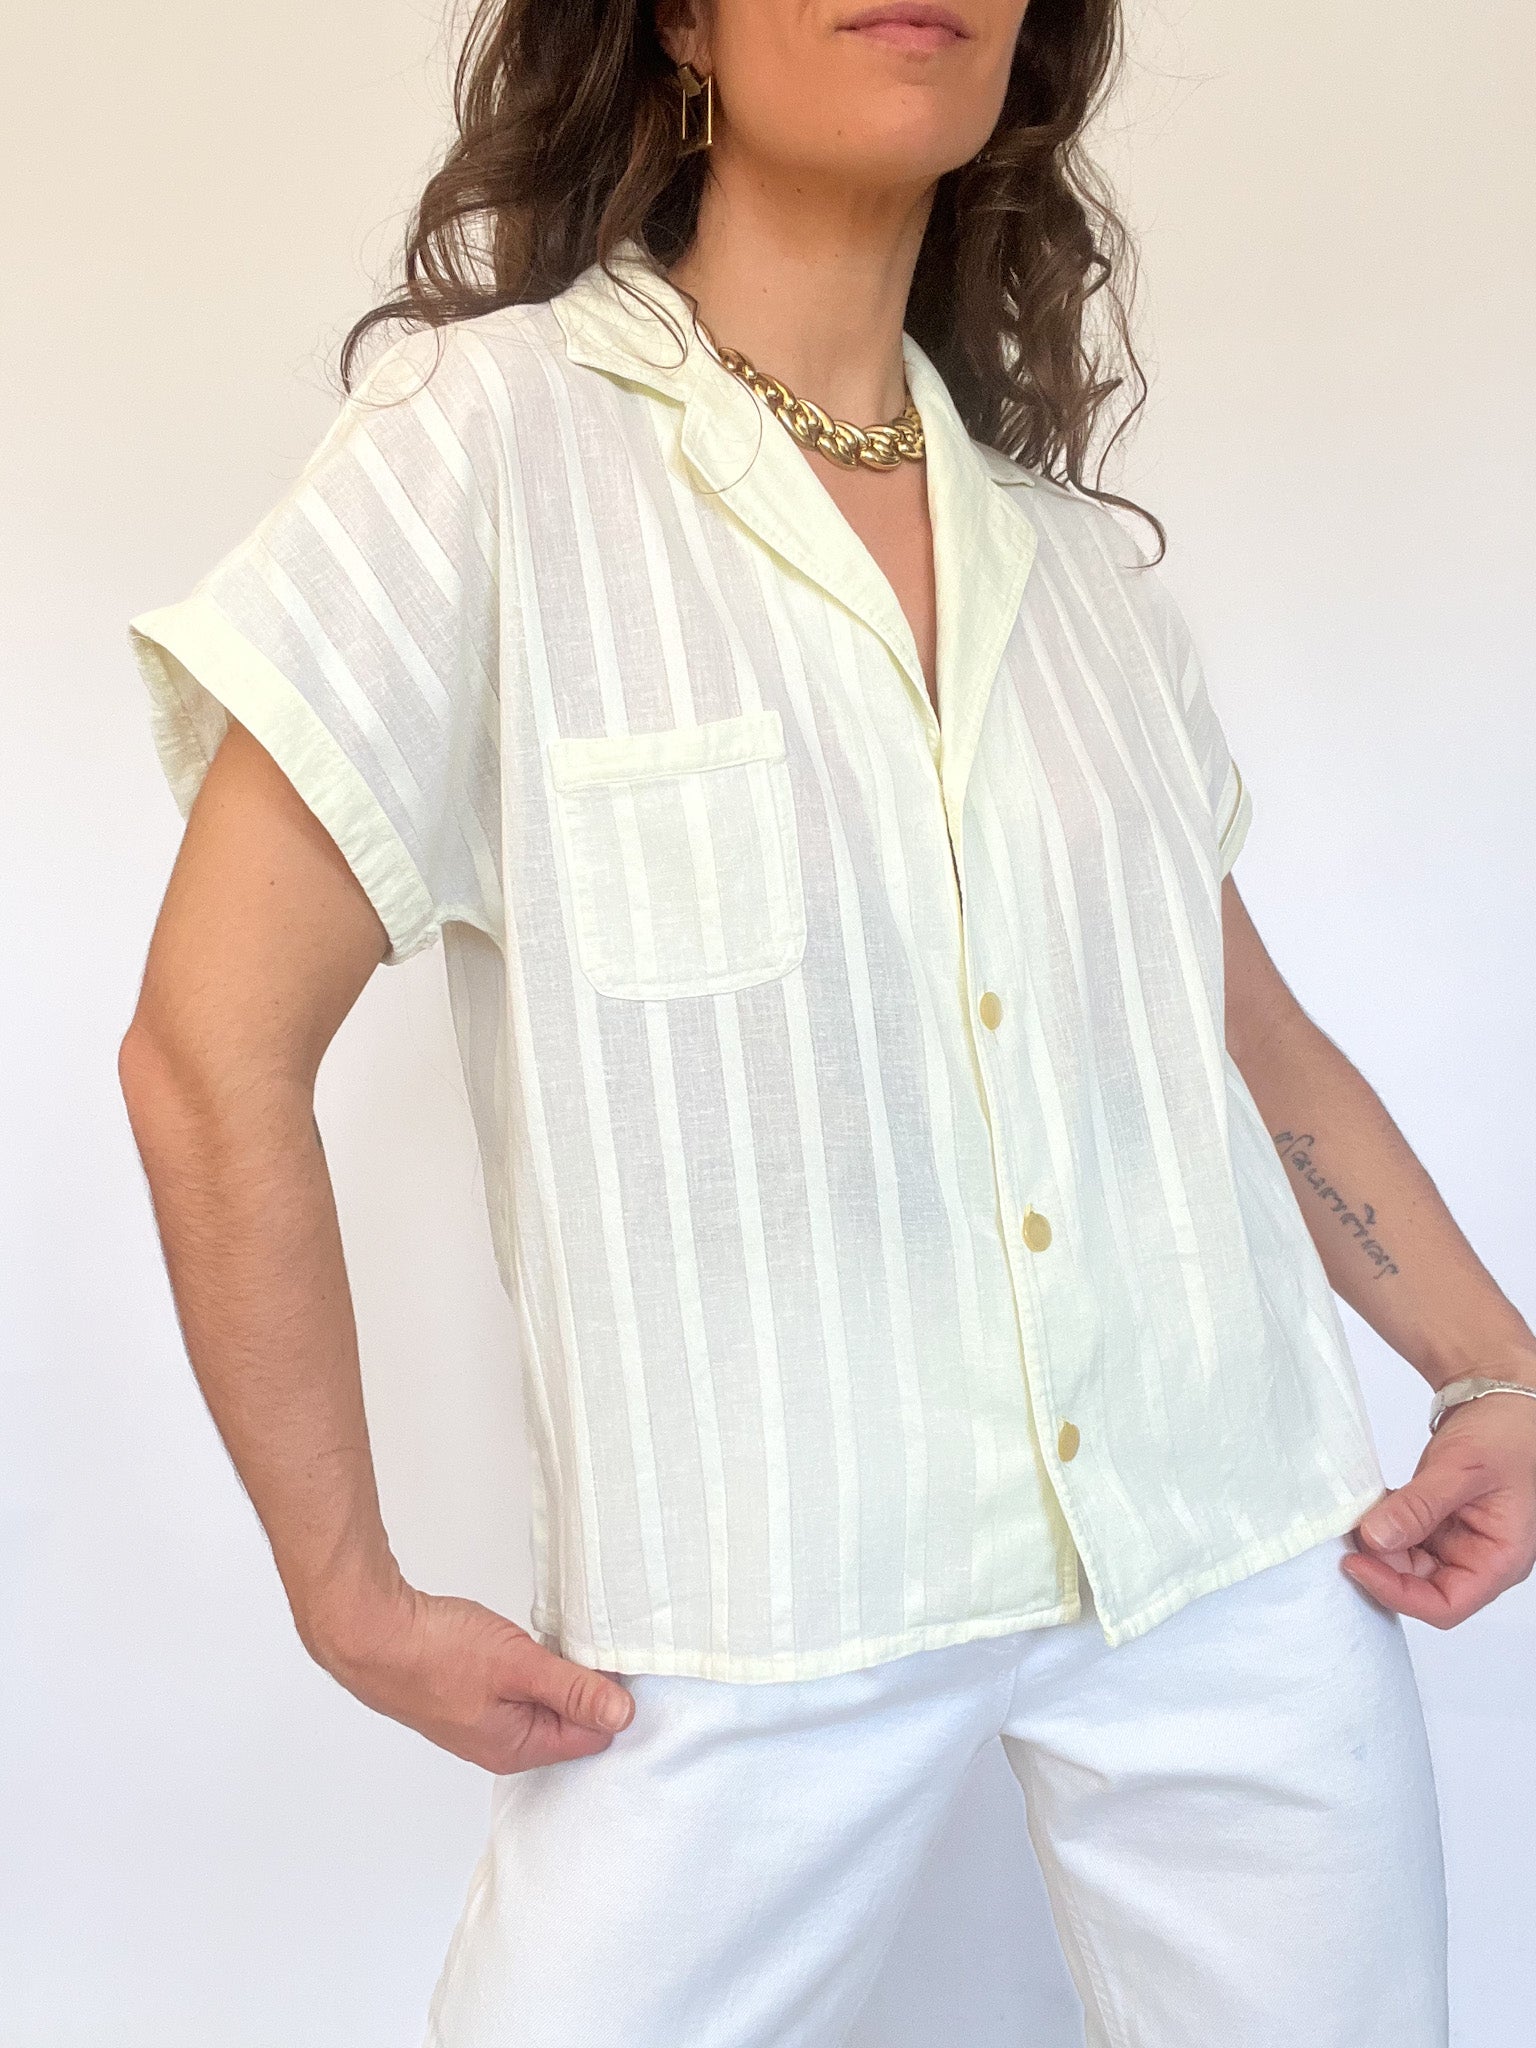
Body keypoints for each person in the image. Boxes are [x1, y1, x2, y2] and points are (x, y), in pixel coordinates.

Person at [119, 2, 1536, 2043]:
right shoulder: (486, 448)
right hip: (746, 1600)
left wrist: (1497, 1368)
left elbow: (1247, 1034)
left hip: (1231, 1547)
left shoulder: (1080, 576)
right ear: (678, 19)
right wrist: (345, 1588)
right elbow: (207, 1048)